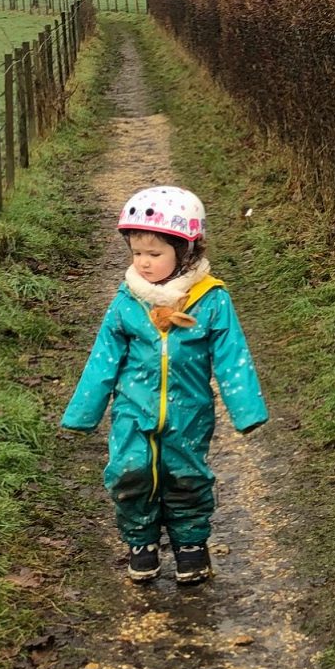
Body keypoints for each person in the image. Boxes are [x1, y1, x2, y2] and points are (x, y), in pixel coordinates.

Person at [61, 183, 268, 584]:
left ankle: (190, 544)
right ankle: (141, 542)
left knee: (185, 474)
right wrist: (83, 413)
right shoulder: (128, 301)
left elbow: (232, 356)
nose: (143, 263)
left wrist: (246, 410)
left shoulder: (211, 300)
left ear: (185, 251)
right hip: (132, 409)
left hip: (188, 410)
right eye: (136, 253)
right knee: (130, 472)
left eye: (154, 254)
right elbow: (103, 359)